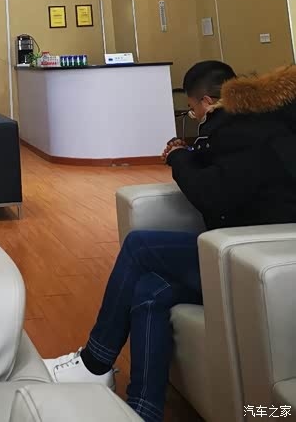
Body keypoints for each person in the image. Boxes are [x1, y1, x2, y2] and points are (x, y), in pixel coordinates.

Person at [44, 61, 296, 422]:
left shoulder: (252, 133)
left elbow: (212, 194)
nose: (194, 117)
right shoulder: (259, 124)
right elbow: (230, 177)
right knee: (149, 288)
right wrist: (189, 154)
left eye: (192, 109)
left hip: (255, 256)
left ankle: (96, 362)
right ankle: (143, 411)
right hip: (240, 250)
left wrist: (178, 157)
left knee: (139, 246)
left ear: (206, 102)